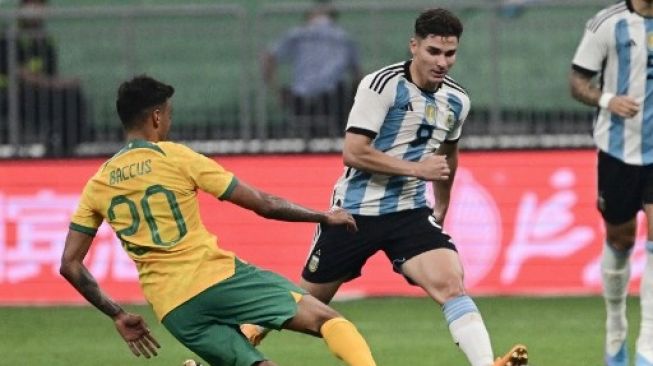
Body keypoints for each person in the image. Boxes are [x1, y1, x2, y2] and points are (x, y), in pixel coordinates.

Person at [245, 7, 528, 366]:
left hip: (409, 211)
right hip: (354, 213)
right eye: (433, 52)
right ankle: (232, 343)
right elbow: (353, 152)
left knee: (451, 285)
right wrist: (416, 168)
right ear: (414, 46)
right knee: (303, 303)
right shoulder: (381, 85)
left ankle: (486, 364)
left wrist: (441, 204)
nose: (442, 61)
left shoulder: (457, 100)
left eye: (450, 53)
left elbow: (448, 155)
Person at [59, 75, 377, 366]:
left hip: (173, 309)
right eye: (169, 115)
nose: (169, 122)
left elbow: (70, 265)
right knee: (329, 321)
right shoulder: (175, 157)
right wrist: (323, 215)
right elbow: (265, 204)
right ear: (156, 116)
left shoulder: (98, 183)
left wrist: (117, 314)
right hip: (217, 278)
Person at [570, 1, 653, 365]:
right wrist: (607, 99)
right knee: (620, 238)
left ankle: (647, 347)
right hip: (617, 152)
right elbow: (577, 82)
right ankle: (616, 326)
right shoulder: (607, 23)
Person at [262, 1, 362, 139]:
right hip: (333, 101)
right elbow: (357, 74)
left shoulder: (298, 34)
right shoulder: (344, 38)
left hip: (300, 100)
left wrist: (276, 90)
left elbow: (268, 57)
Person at [0, 0, 86, 155]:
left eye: (40, 5)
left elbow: (50, 73)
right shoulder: (9, 37)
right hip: (10, 96)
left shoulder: (45, 40)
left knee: (73, 96)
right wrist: (57, 84)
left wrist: (60, 84)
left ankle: (67, 149)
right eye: (32, 4)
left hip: (37, 95)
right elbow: (22, 75)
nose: (36, 10)